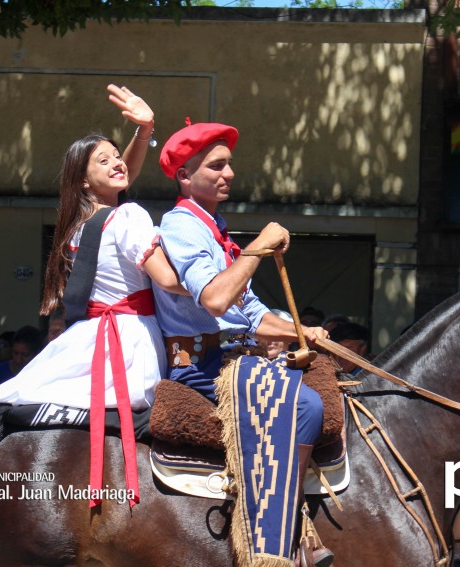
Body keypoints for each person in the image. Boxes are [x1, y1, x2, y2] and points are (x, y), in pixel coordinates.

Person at [0, 84, 182, 508]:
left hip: (95, 336)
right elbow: (171, 282)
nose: (119, 163)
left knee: (21, 393)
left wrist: (144, 131)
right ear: (85, 178)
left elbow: (119, 184)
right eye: (104, 160)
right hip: (130, 342)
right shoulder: (129, 216)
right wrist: (229, 272)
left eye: (118, 155)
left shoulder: (84, 224)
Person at [152, 120, 332, 566]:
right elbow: (215, 299)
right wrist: (259, 247)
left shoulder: (217, 232)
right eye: (215, 166)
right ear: (184, 176)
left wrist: (300, 331)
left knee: (329, 380)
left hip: (233, 355)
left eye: (229, 164)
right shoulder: (180, 225)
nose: (227, 173)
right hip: (201, 364)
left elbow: (253, 317)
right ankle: (283, 530)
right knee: (306, 407)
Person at [0, 325, 44, 389]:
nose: (18, 360)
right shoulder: (1, 371)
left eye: (25, 355)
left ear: (38, 354)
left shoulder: (43, 373)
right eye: (15, 353)